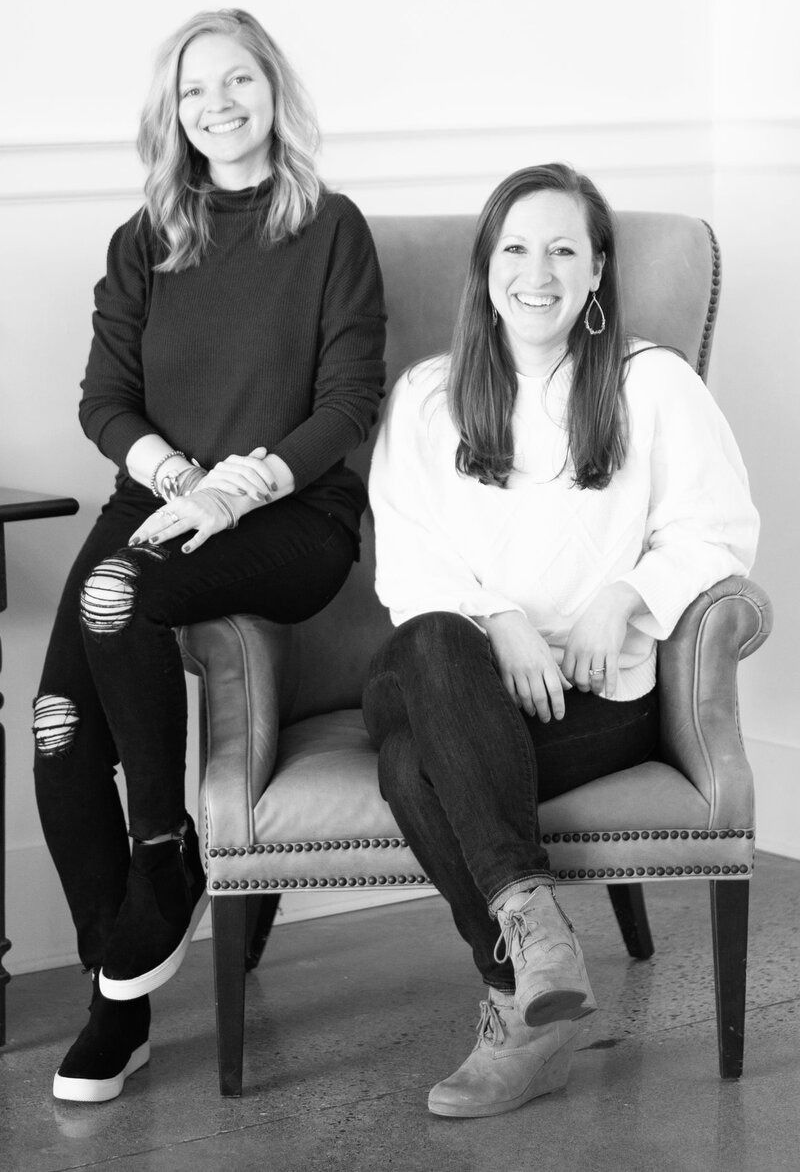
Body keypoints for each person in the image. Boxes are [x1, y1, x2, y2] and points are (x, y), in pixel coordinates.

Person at [34, 8, 385, 1103]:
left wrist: (236, 487)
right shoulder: (146, 237)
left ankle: (163, 849)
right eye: (194, 91)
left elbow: (346, 404)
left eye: (238, 82)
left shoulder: (330, 228)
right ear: (170, 112)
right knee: (54, 726)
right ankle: (119, 995)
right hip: (160, 497)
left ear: (273, 92)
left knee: (112, 593)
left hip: (290, 515)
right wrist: (175, 476)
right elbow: (104, 398)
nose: (217, 106)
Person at [363, 163, 758, 1118]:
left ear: (595, 273)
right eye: (514, 248)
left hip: (592, 696)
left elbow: (721, 531)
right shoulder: (428, 396)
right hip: (446, 667)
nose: (534, 272)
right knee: (429, 643)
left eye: (562, 249)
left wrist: (621, 595)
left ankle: (521, 1006)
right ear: (484, 268)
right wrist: (499, 622)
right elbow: (406, 562)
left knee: (416, 767)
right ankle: (535, 928)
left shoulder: (651, 384)